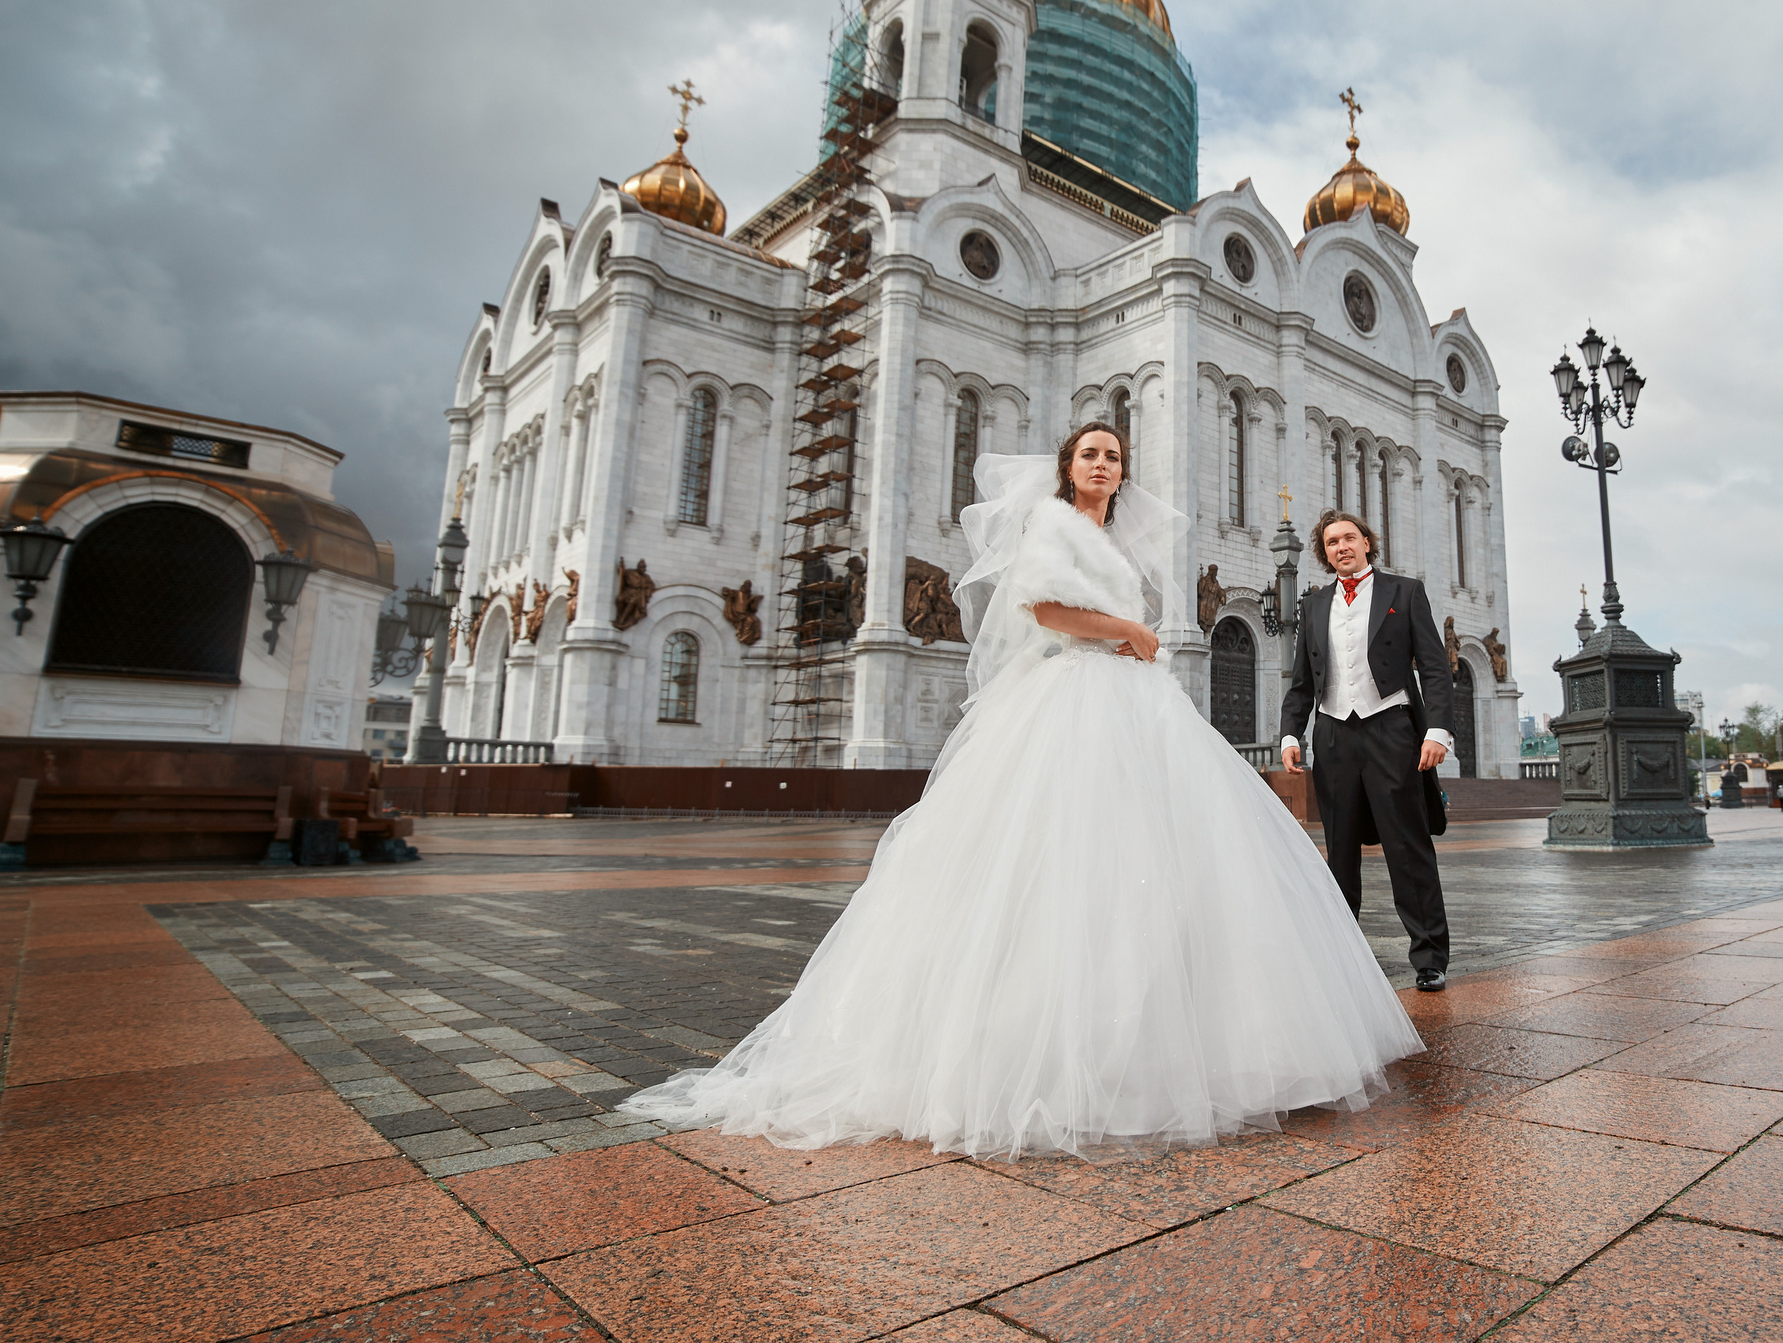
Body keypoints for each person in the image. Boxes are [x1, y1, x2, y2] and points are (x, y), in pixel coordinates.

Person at [618, 424, 1421, 1158]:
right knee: (1059, 856)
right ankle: (1054, 1057)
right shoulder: (1053, 523)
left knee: (1152, 863)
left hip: (1129, 702)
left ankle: (1169, 1041)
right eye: (1090, 454)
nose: (1103, 465)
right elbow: (1043, 609)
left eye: (1113, 456)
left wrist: (1128, 639)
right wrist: (1130, 632)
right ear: (1068, 468)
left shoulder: (1106, 533)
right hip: (1076, 696)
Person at [1279, 511, 1457, 992]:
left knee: (1407, 845)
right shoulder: (1313, 605)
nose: (1341, 547)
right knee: (1339, 851)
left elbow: (1435, 669)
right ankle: (1343, 952)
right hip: (1334, 735)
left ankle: (1429, 956)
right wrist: (1291, 734)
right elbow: (1301, 681)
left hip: (1392, 730)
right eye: (1332, 541)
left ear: (1366, 543)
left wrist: (1437, 731)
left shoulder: (1405, 592)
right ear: (1324, 551)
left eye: (1349, 538)